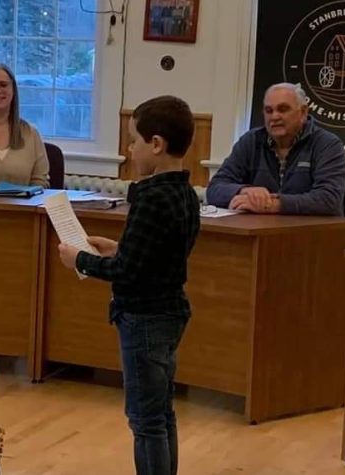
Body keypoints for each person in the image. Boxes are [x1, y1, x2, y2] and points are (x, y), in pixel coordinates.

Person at [57, 95, 200, 475]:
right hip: (170, 311)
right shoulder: (186, 193)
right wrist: (119, 247)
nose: (129, 149)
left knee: (145, 421)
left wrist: (81, 260)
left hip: (144, 318)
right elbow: (159, 256)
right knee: (161, 414)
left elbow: (128, 272)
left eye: (134, 140)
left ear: (156, 145)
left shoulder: (151, 197)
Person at [206, 82, 345, 215]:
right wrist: (244, 191)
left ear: (303, 113)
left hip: (311, 234)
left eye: (283, 109)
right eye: (269, 110)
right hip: (262, 231)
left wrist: (271, 204)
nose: (274, 117)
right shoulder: (251, 141)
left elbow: (329, 199)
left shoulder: (327, 144)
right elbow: (214, 188)